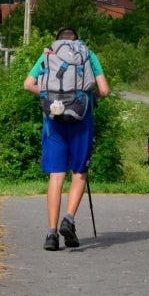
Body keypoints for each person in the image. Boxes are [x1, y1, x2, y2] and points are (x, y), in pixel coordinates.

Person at [23, 27, 110, 251]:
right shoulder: (88, 55)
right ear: (77, 41)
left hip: (54, 120)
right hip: (81, 121)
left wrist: (48, 94)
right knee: (79, 172)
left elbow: (28, 84)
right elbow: (104, 90)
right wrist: (85, 94)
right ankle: (68, 219)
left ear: (58, 40)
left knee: (56, 176)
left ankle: (51, 234)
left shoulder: (48, 54)